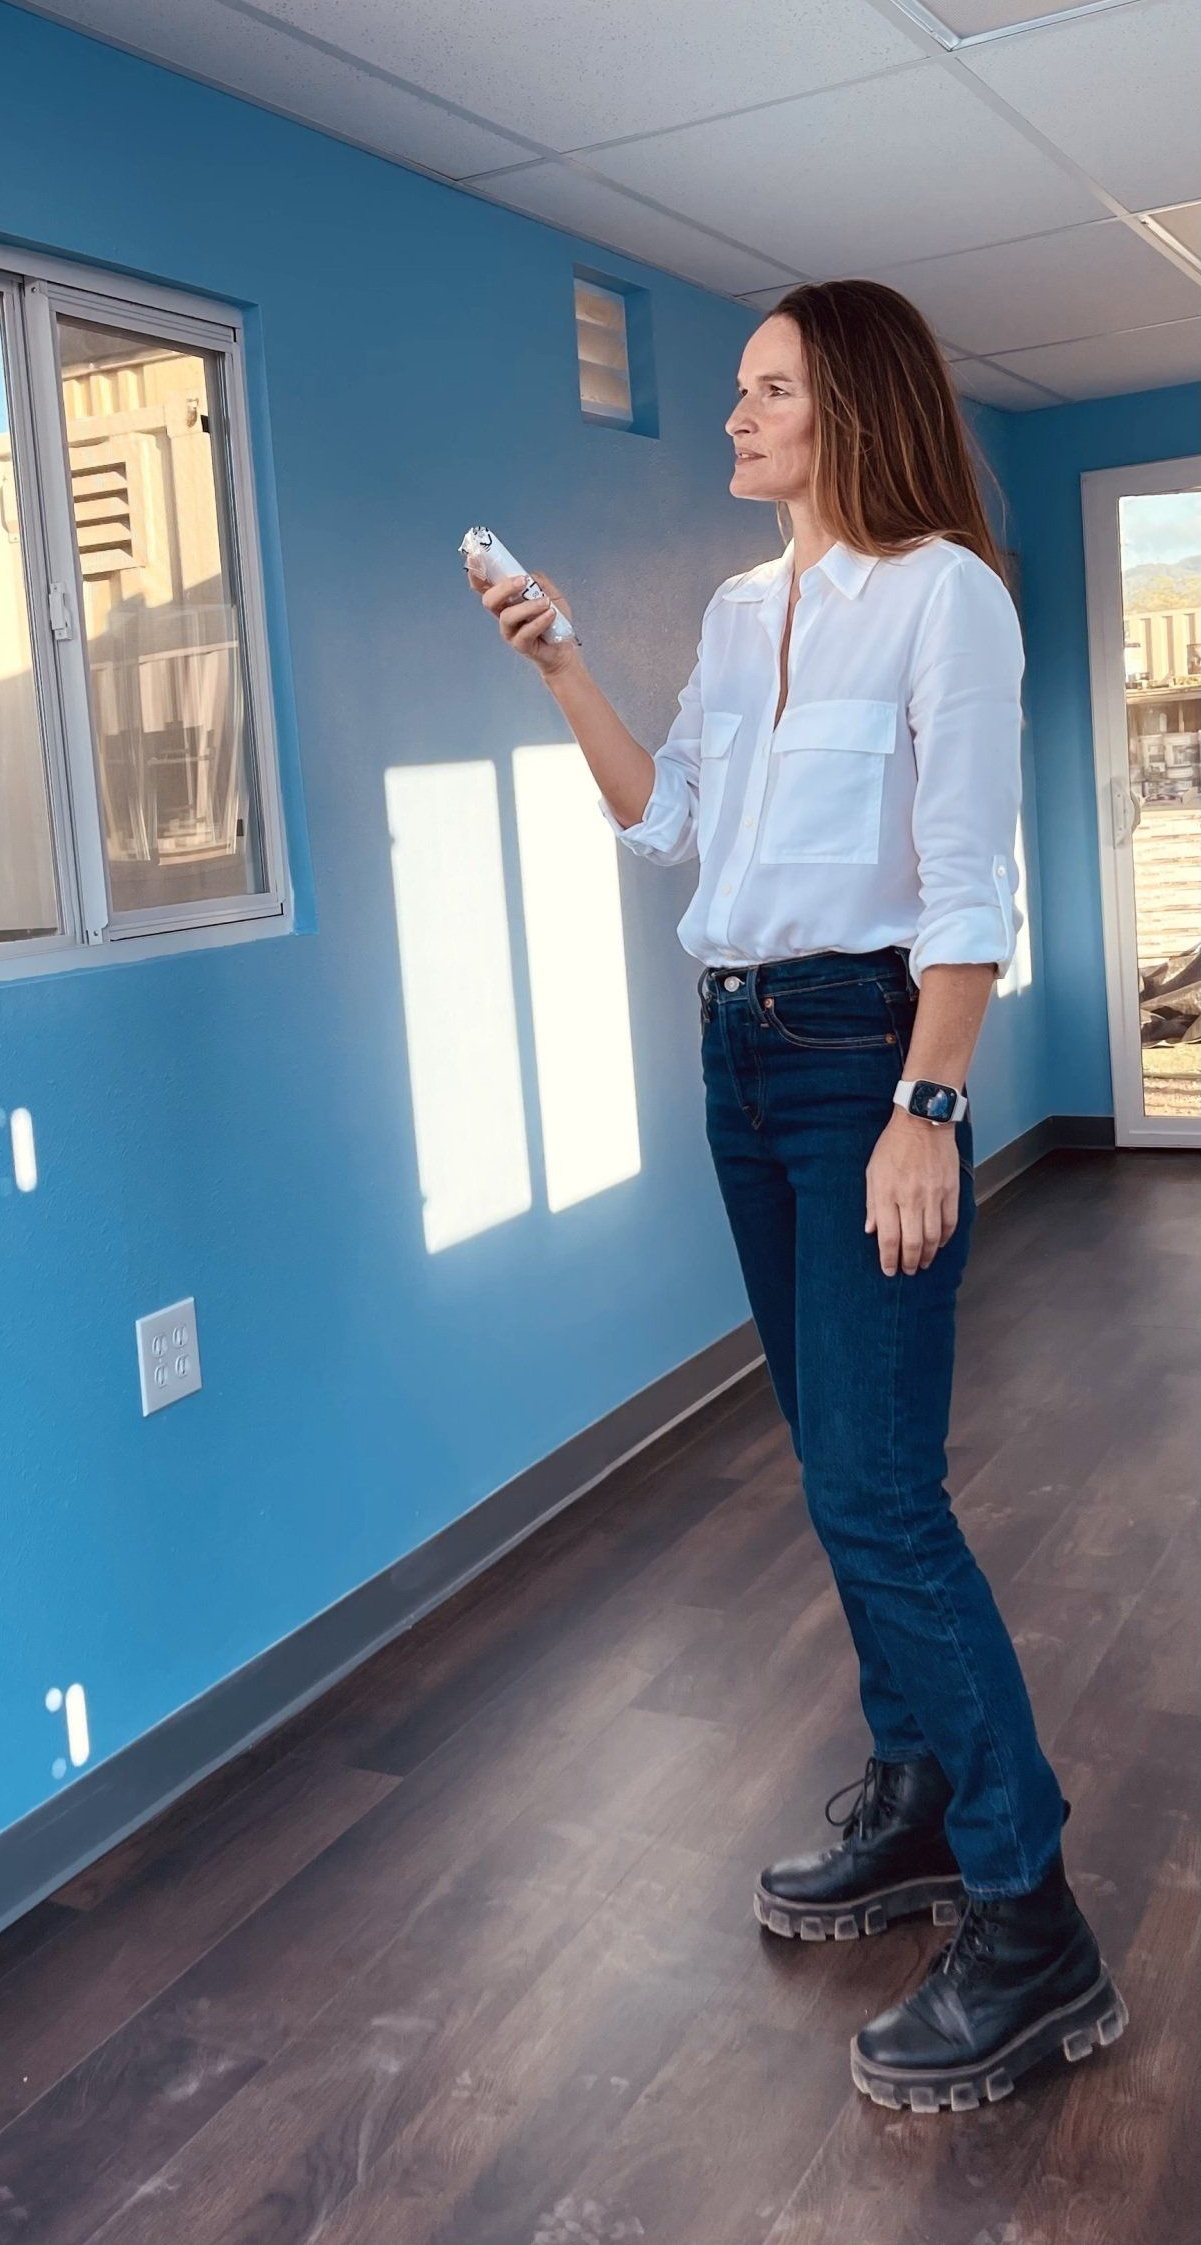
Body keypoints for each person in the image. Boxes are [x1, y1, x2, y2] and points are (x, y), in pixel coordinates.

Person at [472, 278, 1127, 2113]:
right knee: (832, 1457)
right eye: (742, 389)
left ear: (852, 406)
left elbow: (969, 881)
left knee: (879, 1487)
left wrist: (929, 1103)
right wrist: (559, 664)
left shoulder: (947, 595)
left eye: (768, 388)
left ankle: (1031, 1914)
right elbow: (665, 821)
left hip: (862, 1057)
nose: (737, 414)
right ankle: (914, 1797)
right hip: (741, 1053)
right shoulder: (736, 608)